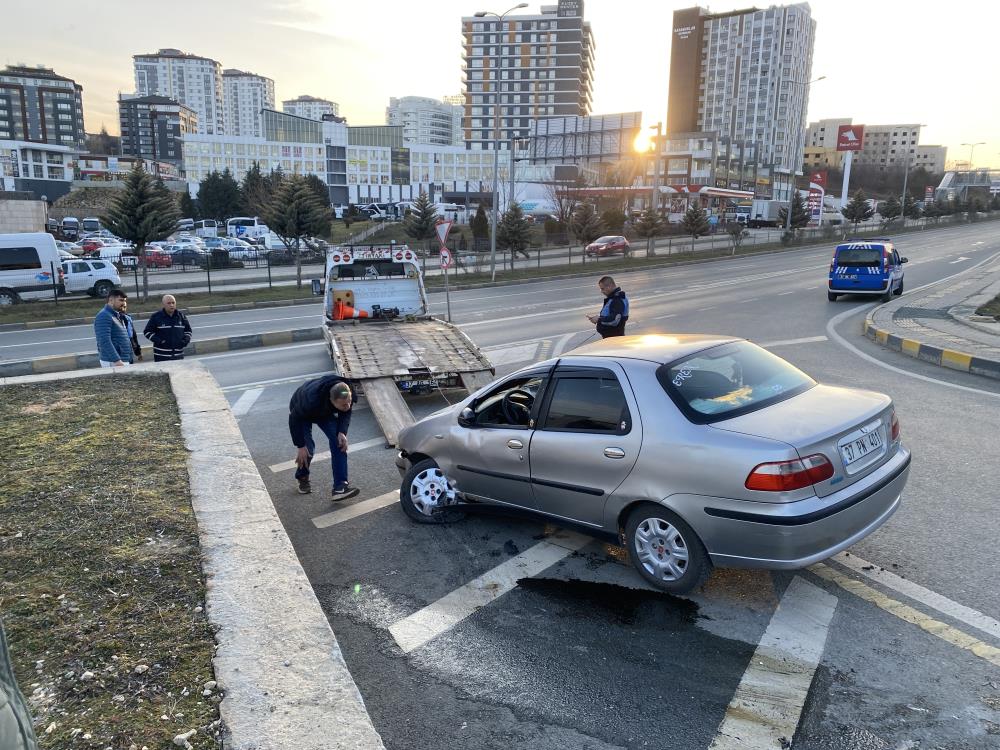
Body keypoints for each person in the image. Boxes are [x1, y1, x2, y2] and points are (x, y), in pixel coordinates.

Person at [288, 376, 359, 501]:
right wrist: (300, 446)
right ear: (332, 400)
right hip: (301, 413)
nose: (348, 406)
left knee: (339, 443)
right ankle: (302, 477)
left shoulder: (346, 392)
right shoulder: (310, 401)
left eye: (349, 401)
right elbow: (294, 418)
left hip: (323, 411)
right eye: (343, 404)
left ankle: (340, 487)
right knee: (308, 450)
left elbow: (346, 412)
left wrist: (342, 432)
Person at [143, 294, 192, 362]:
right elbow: (147, 332)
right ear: (163, 304)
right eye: (169, 303)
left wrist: (185, 340)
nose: (171, 305)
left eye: (173, 303)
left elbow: (188, 331)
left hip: (178, 356)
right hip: (161, 356)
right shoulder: (156, 317)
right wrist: (160, 341)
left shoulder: (181, 316)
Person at [93, 289, 134, 368]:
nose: (123, 303)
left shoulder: (115, 315)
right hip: (114, 362)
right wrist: (117, 360)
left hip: (120, 360)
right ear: (111, 300)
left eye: (124, 300)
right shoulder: (104, 316)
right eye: (121, 300)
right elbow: (104, 340)